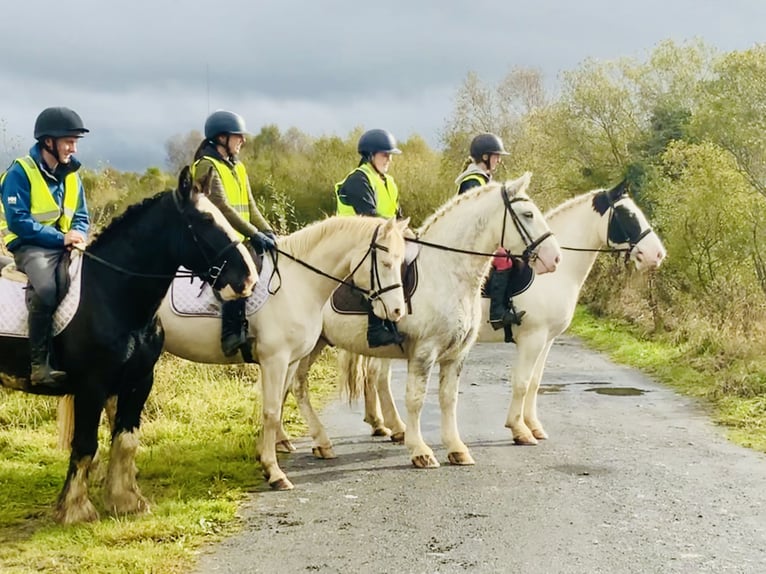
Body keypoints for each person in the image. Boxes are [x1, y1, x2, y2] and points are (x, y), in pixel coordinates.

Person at [0, 107, 90, 389]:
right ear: (48, 142)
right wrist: (60, 239)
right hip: (29, 246)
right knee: (48, 289)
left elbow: (82, 216)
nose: (73, 147)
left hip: (65, 246)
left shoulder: (73, 174)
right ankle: (40, 364)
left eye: (75, 141)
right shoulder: (20, 171)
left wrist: (79, 234)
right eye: (68, 141)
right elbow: (20, 221)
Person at [191, 110, 276, 358]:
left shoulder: (238, 167)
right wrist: (253, 233)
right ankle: (231, 333)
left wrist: (267, 230)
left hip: (239, 237)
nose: (243, 141)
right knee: (238, 273)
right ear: (221, 138)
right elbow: (221, 207)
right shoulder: (207, 166)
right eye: (238, 136)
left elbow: (250, 205)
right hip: (217, 239)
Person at [334, 128, 405, 347]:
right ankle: (375, 329)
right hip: (351, 241)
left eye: (390, 155)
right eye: (385, 154)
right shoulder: (358, 179)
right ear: (370, 155)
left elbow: (396, 215)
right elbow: (369, 216)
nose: (389, 159)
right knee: (375, 270)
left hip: (380, 238)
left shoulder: (388, 182)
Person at [455, 132, 526, 329]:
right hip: (470, 240)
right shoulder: (473, 181)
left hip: (480, 237)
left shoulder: (483, 179)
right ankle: (497, 313)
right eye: (496, 156)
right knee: (503, 259)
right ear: (485, 157)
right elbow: (476, 218)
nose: (499, 160)